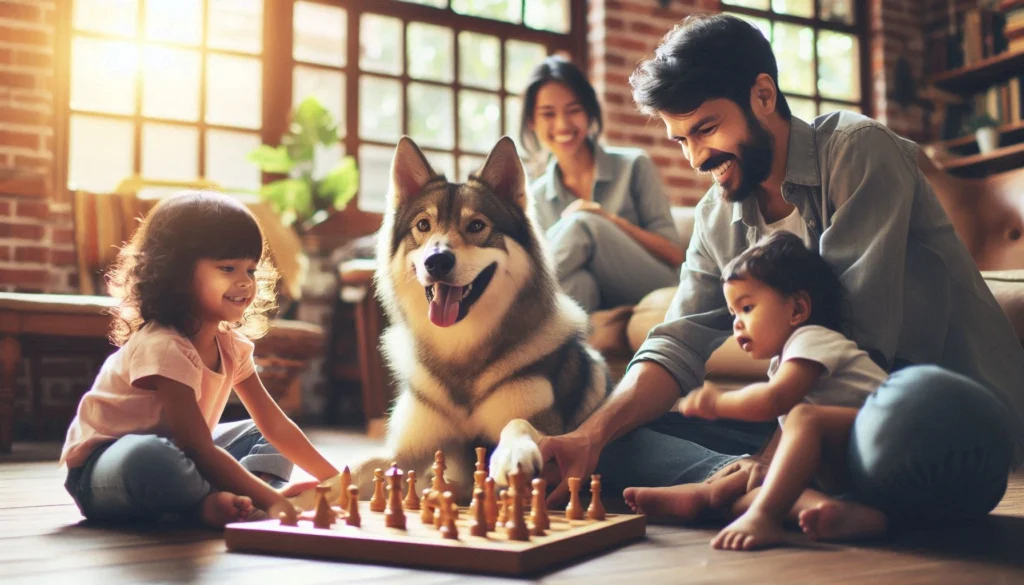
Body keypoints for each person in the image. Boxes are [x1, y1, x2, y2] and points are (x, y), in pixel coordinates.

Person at [538, 13, 1022, 529]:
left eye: (706, 128)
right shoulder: (716, 214)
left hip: (932, 412)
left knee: (891, 448)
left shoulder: (858, 151)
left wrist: (778, 452)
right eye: (681, 139)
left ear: (763, 96)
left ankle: (765, 485)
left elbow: (857, 339)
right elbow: (675, 345)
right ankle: (759, 486)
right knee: (609, 443)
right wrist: (589, 436)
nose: (697, 157)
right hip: (812, 419)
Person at [59, 190, 339, 528]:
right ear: (177, 273)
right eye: (227, 267)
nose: (244, 282)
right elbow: (195, 446)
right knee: (150, 458)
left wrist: (336, 481)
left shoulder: (231, 347)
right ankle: (213, 503)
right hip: (106, 470)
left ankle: (235, 502)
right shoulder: (163, 345)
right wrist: (277, 502)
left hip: (187, 456)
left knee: (264, 437)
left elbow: (274, 424)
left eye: (250, 269)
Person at [628, 232, 890, 549]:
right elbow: (787, 438)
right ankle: (832, 512)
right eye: (733, 313)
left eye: (748, 308)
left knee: (804, 419)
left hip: (884, 445)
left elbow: (773, 401)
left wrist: (719, 402)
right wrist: (754, 474)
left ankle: (762, 515)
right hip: (851, 475)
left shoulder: (814, 339)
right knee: (752, 493)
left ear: (797, 310)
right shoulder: (784, 362)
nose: (737, 323)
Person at [521, 55, 684, 312]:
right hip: (592, 295)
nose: (562, 124)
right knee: (579, 284)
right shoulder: (537, 195)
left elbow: (675, 254)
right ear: (532, 122)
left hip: (650, 282)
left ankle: (515, 301)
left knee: (582, 222)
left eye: (573, 110)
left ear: (588, 112)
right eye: (548, 114)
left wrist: (606, 219)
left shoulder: (634, 166)